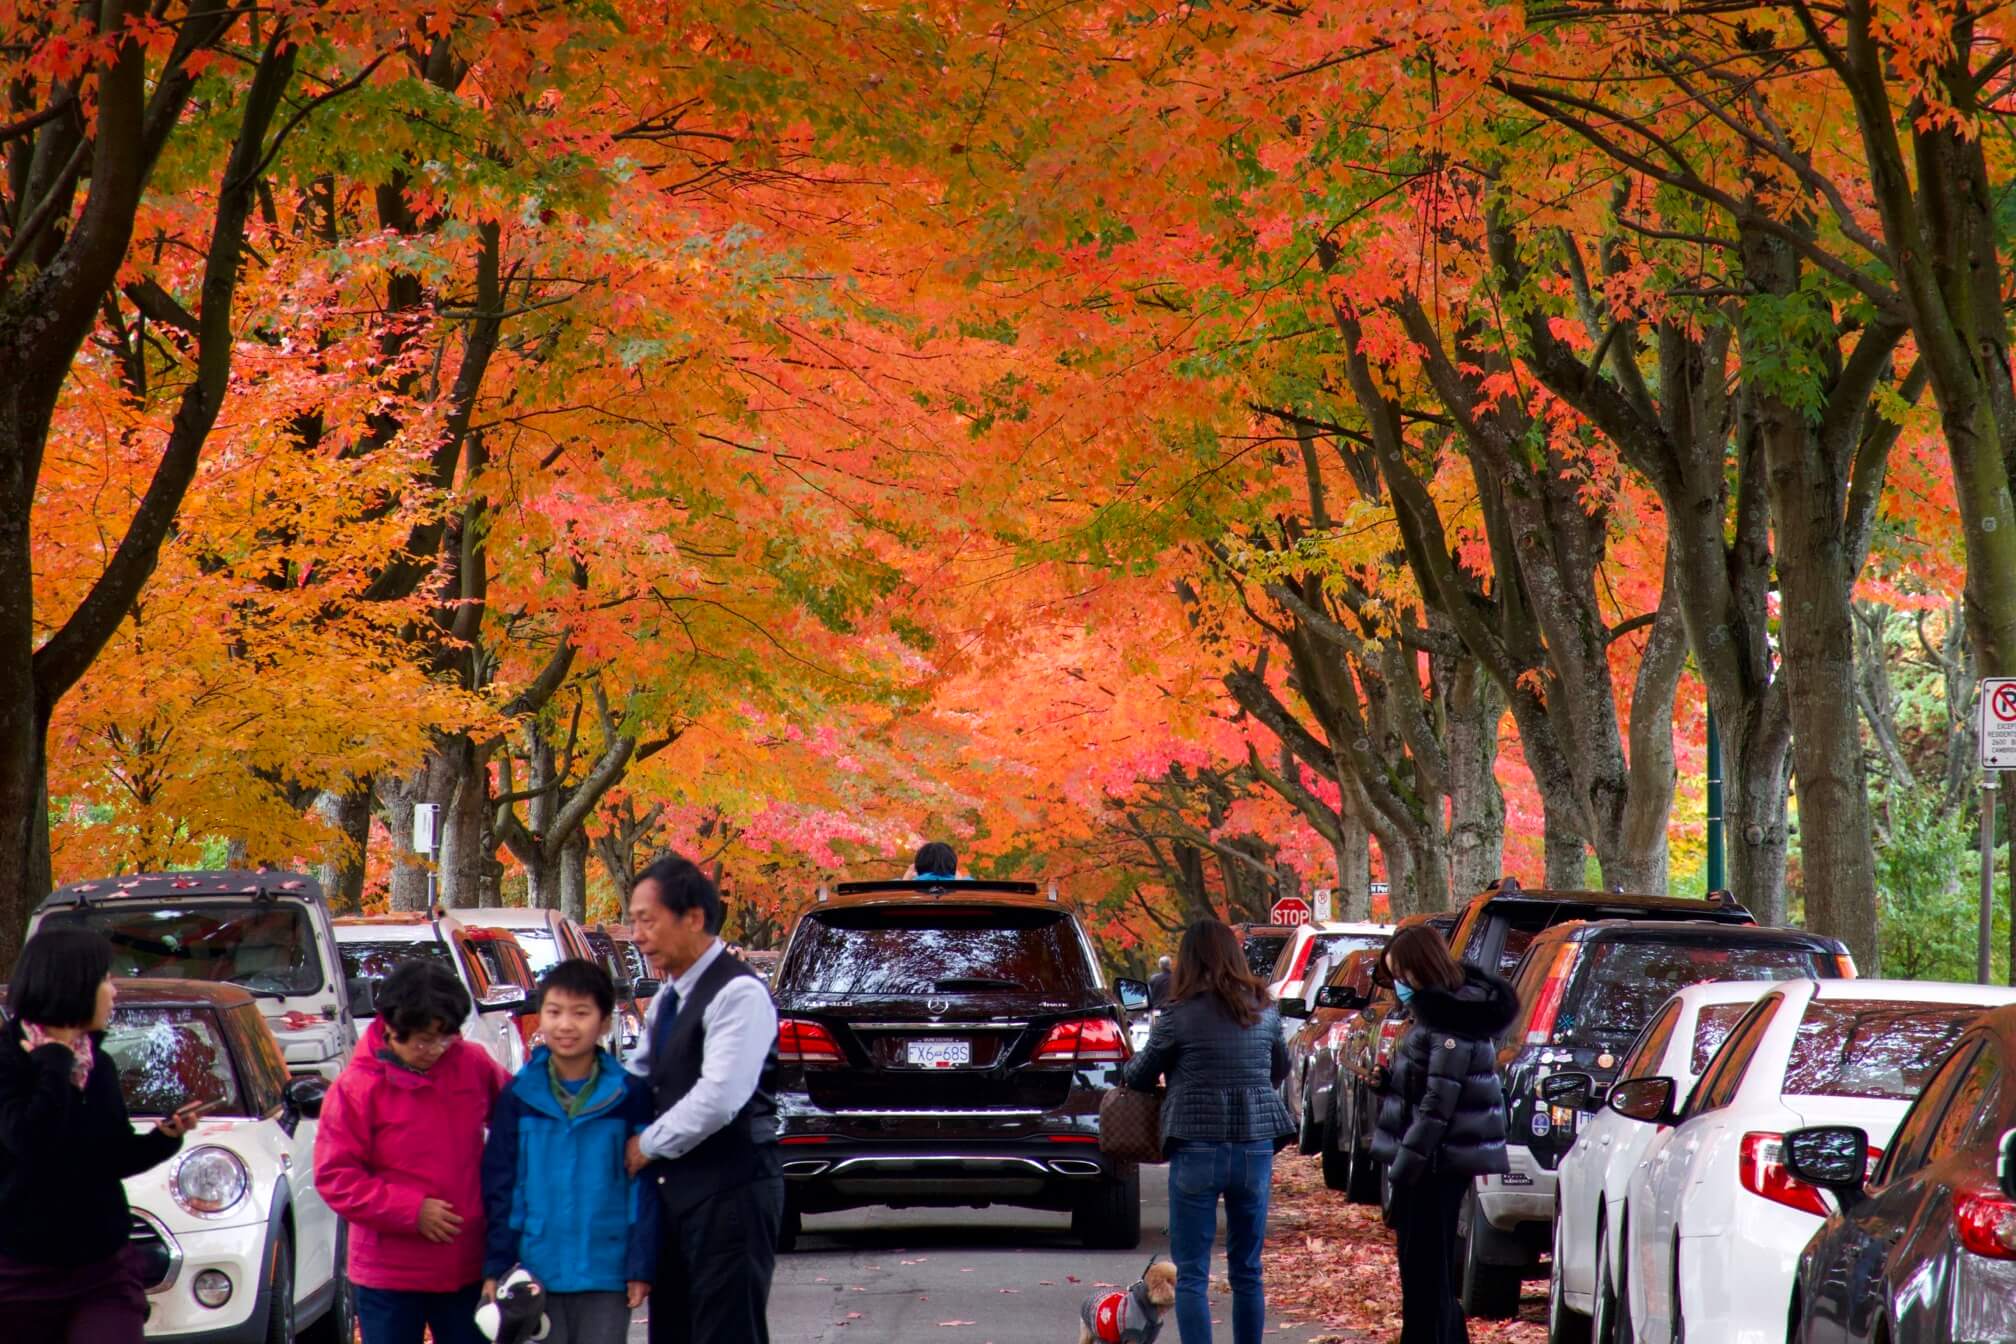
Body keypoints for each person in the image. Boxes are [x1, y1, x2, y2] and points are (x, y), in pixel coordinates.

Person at [0, 928, 203, 1343]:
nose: (114, 991)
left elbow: (110, 1157)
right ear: (72, 983)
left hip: (102, 1269)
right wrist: (54, 1061)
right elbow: (27, 1139)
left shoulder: (99, 1063)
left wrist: (164, 1137)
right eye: (105, 979)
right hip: (17, 1272)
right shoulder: (9, 1060)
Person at [625, 854, 782, 1344]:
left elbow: (719, 1097)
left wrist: (645, 1145)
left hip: (730, 1192)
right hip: (677, 1196)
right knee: (674, 1329)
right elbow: (641, 1075)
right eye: (633, 921)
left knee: (725, 1332)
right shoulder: (670, 998)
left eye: (646, 920)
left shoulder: (738, 993)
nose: (636, 935)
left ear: (692, 918)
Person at [317, 958, 509, 1344]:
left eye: (446, 1037)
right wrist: (411, 1210)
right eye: (423, 1039)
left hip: (464, 1264)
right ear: (390, 1028)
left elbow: (519, 1116)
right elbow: (336, 1177)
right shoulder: (356, 1088)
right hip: (388, 1272)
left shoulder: (471, 1064)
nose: (435, 1049)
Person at [1121, 919, 1293, 1344]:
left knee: (1193, 1272)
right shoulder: (1264, 1009)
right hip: (1254, 1146)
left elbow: (1140, 1076)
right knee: (1248, 1270)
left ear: (1187, 962)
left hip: (1197, 1146)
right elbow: (1280, 1069)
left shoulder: (1178, 1015)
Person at [483, 959, 657, 1343]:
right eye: (554, 1012)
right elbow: (501, 1185)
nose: (566, 1025)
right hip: (533, 1269)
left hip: (606, 1269)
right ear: (540, 1018)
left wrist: (640, 1264)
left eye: (581, 1013)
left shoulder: (629, 1095)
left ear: (605, 1021)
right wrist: (497, 1265)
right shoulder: (518, 1096)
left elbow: (643, 1188)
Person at [1369, 924, 1518, 1344]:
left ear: (1420, 969)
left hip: (1436, 1161)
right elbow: (1428, 1088)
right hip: (1436, 1157)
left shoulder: (1449, 1021)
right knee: (1424, 1268)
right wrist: (1389, 1083)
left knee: (1424, 1269)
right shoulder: (1443, 1015)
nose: (1399, 984)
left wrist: (1405, 1164)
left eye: (1402, 974)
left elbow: (1439, 1104)